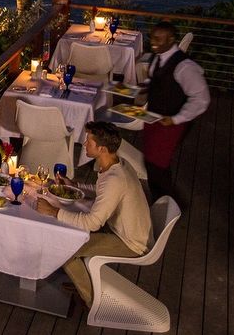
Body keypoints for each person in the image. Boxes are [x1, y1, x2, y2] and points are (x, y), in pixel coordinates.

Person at [35, 121, 153, 308]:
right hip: (124, 230)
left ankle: (93, 301)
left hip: (131, 242)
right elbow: (101, 191)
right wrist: (76, 186)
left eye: (89, 142)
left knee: (66, 249)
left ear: (102, 148)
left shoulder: (115, 179)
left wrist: (53, 211)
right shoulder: (117, 165)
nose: (84, 144)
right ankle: (84, 282)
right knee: (70, 236)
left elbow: (92, 223)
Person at [134, 21, 209, 201]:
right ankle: (162, 200)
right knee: (152, 161)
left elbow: (202, 98)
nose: (154, 42)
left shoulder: (184, 67)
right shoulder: (156, 58)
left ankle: (170, 203)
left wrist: (176, 119)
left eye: (159, 39)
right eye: (152, 37)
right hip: (152, 117)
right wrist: (141, 91)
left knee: (157, 164)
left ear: (172, 40)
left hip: (171, 123)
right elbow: (153, 81)